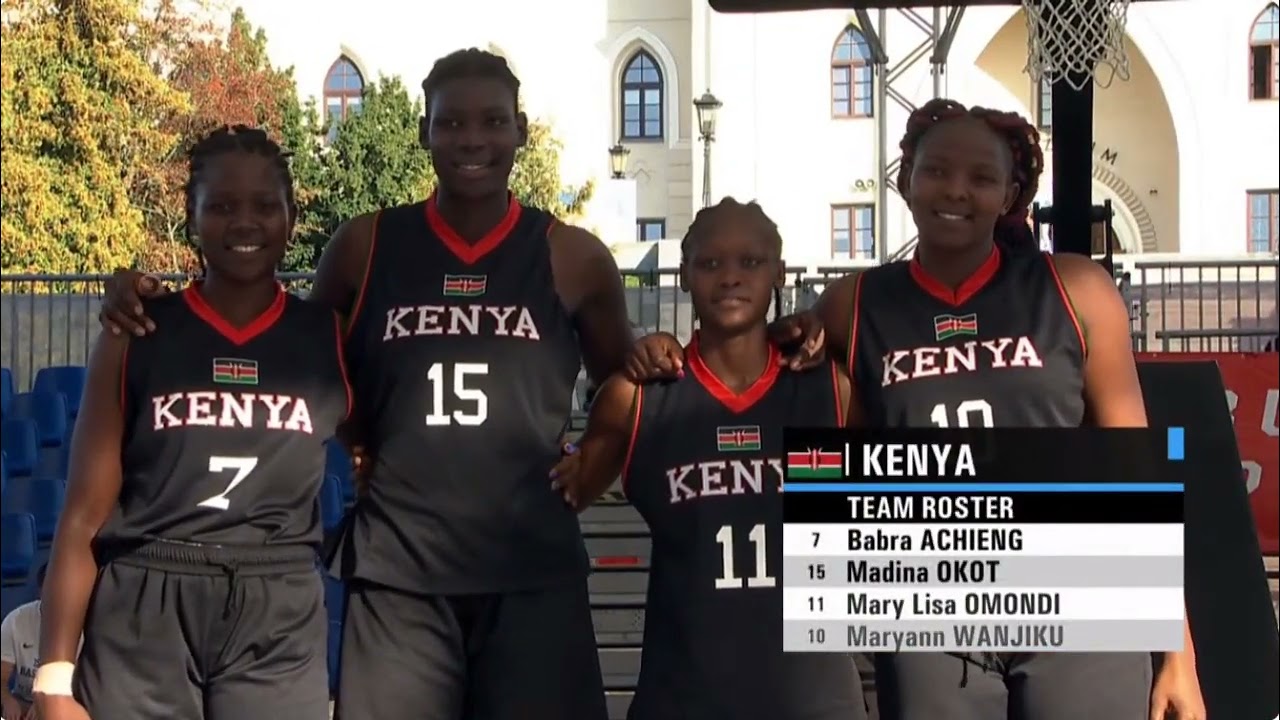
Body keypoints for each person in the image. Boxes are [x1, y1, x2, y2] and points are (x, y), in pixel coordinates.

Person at [96, 49, 636, 720]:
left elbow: (626, 376)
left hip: (531, 564)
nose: (472, 140)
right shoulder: (365, 244)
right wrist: (353, 437)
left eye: (493, 121)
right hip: (398, 569)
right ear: (423, 132)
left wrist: (599, 459)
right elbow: (301, 349)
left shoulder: (572, 255)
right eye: (451, 123)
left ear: (521, 130)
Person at [626, 99, 1207, 720]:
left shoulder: (1076, 288)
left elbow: (1138, 474)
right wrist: (659, 353)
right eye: (937, 172)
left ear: (1010, 192)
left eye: (982, 178)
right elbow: (750, 366)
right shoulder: (855, 303)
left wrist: (1179, 655)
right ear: (905, 181)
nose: (956, 191)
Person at [36, 125, 351, 720]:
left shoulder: (329, 337)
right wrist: (55, 677)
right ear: (192, 217)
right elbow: (84, 512)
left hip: (276, 604)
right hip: (147, 599)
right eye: (222, 206)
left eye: (265, 206)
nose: (245, 223)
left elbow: (399, 440)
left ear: (291, 217)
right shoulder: (136, 330)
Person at [551, 198, 868, 720]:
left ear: (779, 274)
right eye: (710, 263)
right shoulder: (642, 397)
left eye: (751, 262)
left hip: (814, 698)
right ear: (683, 275)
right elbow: (567, 488)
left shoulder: (826, 393)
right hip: (684, 695)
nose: (730, 278)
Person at [2, 566, 54, 720]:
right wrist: (7, 701)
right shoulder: (16, 620)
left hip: (64, 705)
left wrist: (45, 705)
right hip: (21, 702)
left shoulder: (87, 625)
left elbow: (86, 687)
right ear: (41, 590)